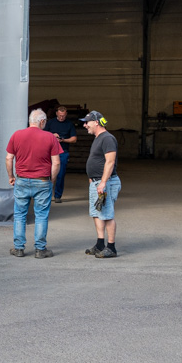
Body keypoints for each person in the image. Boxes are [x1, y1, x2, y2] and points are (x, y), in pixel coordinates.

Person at [5, 108, 63, 258]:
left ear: (30, 120)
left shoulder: (17, 135)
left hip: (22, 180)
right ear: (42, 121)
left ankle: (18, 248)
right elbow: (56, 163)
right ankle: (40, 249)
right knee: (41, 216)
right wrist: (52, 179)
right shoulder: (50, 137)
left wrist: (11, 176)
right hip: (42, 181)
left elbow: (8, 158)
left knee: (19, 215)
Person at [81, 111, 120, 258]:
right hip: (97, 182)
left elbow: (110, 162)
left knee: (107, 214)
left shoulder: (108, 138)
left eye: (87, 122)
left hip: (106, 183)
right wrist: (93, 179)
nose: (85, 125)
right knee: (97, 213)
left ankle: (111, 247)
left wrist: (103, 182)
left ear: (96, 122)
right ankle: (100, 244)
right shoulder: (98, 138)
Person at [45, 105, 77, 203]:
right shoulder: (50, 123)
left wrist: (63, 140)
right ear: (56, 114)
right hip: (49, 152)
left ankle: (58, 196)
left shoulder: (69, 124)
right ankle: (46, 195)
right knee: (47, 174)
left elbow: (74, 139)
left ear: (66, 114)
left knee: (60, 174)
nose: (61, 117)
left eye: (63, 116)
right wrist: (52, 136)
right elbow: (42, 135)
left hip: (63, 152)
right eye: (60, 115)